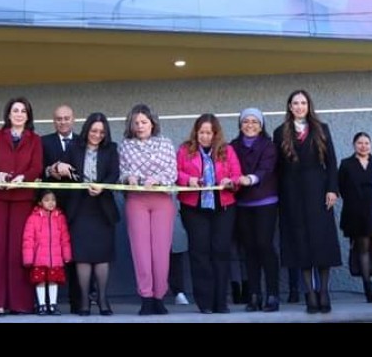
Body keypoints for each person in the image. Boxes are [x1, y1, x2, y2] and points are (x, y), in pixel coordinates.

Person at [273, 89, 342, 315]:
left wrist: (332, 189)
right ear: (290, 107)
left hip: (318, 191)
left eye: (303, 103)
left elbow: (331, 162)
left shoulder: (322, 129)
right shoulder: (280, 132)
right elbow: (277, 168)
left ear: (309, 105)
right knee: (299, 242)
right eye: (295, 103)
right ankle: (310, 293)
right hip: (291, 193)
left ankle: (323, 291)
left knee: (322, 241)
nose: (300, 106)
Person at [0, 97, 44, 316]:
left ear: (28, 116)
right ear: (8, 114)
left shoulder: (35, 140)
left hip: (22, 199)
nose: (19, 114)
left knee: (19, 249)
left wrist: (23, 177)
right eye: (15, 110)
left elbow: (37, 166)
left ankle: (19, 302)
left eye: (23, 111)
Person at [177, 113, 245, 314]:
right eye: (202, 132)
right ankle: (205, 302)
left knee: (221, 252)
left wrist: (230, 182)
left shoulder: (227, 150)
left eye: (209, 133)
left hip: (223, 207)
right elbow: (175, 172)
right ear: (196, 132)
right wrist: (188, 179)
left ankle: (220, 301)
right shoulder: (185, 149)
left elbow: (237, 175)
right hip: (193, 208)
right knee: (200, 253)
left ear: (216, 134)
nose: (205, 137)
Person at [118, 103, 177, 316]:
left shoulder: (165, 144)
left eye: (144, 122)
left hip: (161, 200)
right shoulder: (125, 146)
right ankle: (146, 297)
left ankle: (159, 297)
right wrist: (129, 177)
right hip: (136, 200)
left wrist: (157, 179)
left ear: (152, 123)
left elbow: (172, 172)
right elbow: (122, 172)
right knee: (141, 252)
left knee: (160, 251)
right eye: (136, 123)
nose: (140, 126)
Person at [64, 112, 120, 316]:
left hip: (102, 207)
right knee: (83, 257)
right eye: (94, 131)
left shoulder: (111, 149)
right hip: (79, 208)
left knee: (102, 256)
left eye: (102, 132)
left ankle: (103, 300)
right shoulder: (73, 148)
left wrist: (102, 186)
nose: (97, 135)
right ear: (87, 130)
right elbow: (66, 174)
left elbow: (114, 174)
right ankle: (84, 301)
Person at [229, 107, 281, 312]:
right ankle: (254, 295)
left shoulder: (269, 146)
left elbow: (266, 169)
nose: (250, 125)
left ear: (261, 126)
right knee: (249, 249)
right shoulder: (232, 146)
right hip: (242, 204)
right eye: (246, 121)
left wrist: (250, 179)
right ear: (240, 124)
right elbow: (229, 168)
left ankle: (272, 294)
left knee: (265, 246)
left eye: (254, 122)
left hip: (265, 202)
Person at [339, 132, 372, 303]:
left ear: (371, 145)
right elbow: (341, 188)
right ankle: (368, 290)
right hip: (356, 214)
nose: (363, 146)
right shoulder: (346, 164)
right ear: (354, 145)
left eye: (367, 143)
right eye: (360, 143)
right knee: (363, 249)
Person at [41, 103, 83, 310]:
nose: (63, 122)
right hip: (51, 205)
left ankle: (79, 301)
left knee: (76, 251)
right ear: (53, 121)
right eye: (59, 119)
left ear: (73, 119)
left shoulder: (83, 141)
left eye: (66, 118)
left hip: (79, 205)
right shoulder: (44, 141)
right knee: (48, 252)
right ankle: (46, 302)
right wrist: (51, 169)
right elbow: (38, 169)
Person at [22, 189, 73, 315]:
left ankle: (53, 305)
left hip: (55, 259)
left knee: (53, 280)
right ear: (40, 202)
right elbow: (28, 239)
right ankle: (42, 305)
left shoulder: (60, 218)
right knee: (40, 281)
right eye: (47, 200)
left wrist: (67, 255)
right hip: (39, 258)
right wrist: (28, 258)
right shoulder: (33, 218)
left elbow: (65, 238)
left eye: (53, 200)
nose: (51, 203)